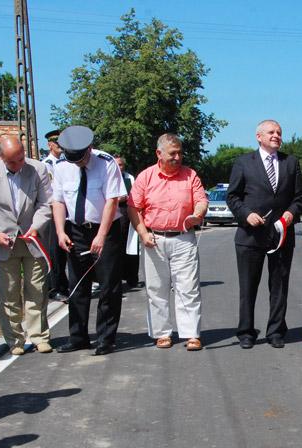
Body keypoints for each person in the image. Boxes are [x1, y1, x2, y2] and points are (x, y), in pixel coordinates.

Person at [226, 119, 302, 349]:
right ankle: (246, 332)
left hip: (281, 236)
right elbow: (232, 196)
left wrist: (290, 214)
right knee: (248, 287)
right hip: (250, 237)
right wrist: (246, 214)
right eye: (271, 132)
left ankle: (276, 331)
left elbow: (300, 197)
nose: (276, 135)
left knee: (279, 287)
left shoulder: (291, 163)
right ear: (258, 136)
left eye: (279, 132)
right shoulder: (243, 162)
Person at [0, 136, 54, 356]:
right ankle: (15, 339)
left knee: (37, 289)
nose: (19, 164)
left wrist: (36, 227)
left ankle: (39, 336)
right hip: (3, 242)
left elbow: (46, 203)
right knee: (8, 292)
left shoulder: (38, 169)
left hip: (32, 239)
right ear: (1, 158)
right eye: (12, 162)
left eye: (21, 158)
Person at [127, 134, 208, 351]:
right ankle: (162, 333)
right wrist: (143, 233)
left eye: (180, 153)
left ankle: (191, 334)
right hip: (154, 239)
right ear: (159, 153)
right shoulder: (145, 177)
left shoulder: (190, 175)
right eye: (173, 153)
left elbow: (201, 200)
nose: (178, 157)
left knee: (188, 288)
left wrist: (197, 214)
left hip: (184, 238)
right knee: (156, 289)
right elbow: (133, 207)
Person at [52, 126, 127, 356]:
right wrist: (60, 232)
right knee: (77, 286)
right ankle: (78, 337)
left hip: (107, 229)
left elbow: (112, 201)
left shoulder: (106, 163)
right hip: (75, 230)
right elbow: (58, 201)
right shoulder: (62, 166)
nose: (78, 163)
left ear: (89, 149)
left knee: (108, 286)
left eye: (81, 158)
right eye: (73, 159)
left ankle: (105, 339)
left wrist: (101, 235)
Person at [41, 129, 69, 302]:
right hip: (52, 212)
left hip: (67, 211)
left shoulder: (67, 162)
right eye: (56, 143)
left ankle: (64, 284)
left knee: (66, 251)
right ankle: (54, 288)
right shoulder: (45, 165)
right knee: (54, 252)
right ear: (50, 145)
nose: (60, 146)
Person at [115, 154, 141, 289]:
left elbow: (135, 196)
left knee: (131, 247)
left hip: (127, 215)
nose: (119, 167)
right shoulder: (108, 177)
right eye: (116, 164)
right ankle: (116, 278)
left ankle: (132, 278)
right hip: (114, 216)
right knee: (116, 249)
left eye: (121, 165)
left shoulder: (129, 178)